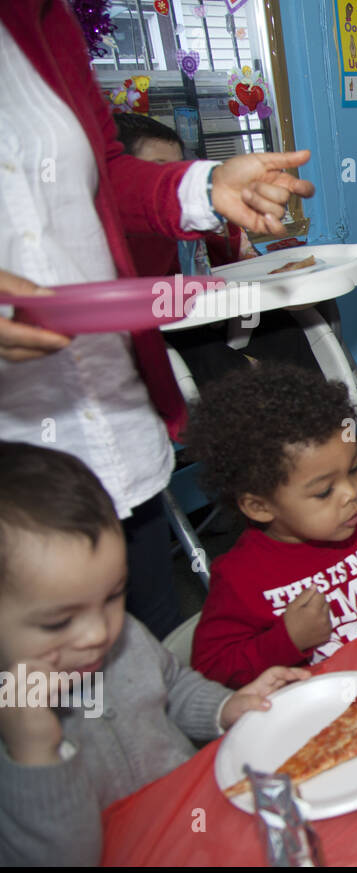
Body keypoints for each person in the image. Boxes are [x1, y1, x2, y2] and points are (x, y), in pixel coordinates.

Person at [0, 0, 315, 644]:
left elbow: (100, 175)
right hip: (18, 441)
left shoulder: (40, 19)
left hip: (103, 412)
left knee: (146, 651)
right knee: (41, 689)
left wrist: (200, 189)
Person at [0, 441, 309, 866]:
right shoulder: (14, 731)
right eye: (57, 622)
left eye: (113, 596)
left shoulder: (123, 635)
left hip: (195, 821)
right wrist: (33, 753)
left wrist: (224, 708)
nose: (98, 632)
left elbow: (172, 686)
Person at [185, 364, 357, 688]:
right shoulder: (240, 577)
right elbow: (211, 670)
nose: (351, 495)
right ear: (259, 506)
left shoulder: (347, 526)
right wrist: (287, 639)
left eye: (354, 470)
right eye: (323, 491)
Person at [113, 113, 318, 387]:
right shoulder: (115, 243)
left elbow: (248, 271)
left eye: (179, 172)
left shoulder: (213, 229)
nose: (174, 183)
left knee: (282, 328)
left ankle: (319, 421)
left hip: (220, 322)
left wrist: (287, 292)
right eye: (159, 171)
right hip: (164, 339)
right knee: (202, 350)